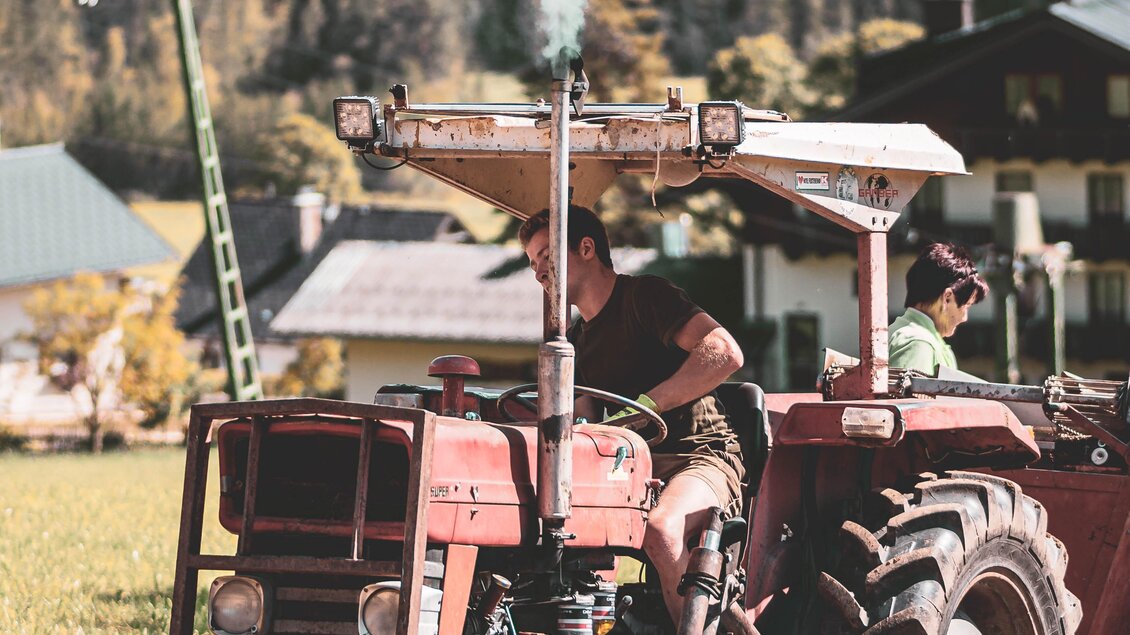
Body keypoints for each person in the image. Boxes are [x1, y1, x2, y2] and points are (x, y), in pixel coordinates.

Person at [520, 205, 745, 627]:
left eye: (546, 257)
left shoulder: (646, 297)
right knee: (547, 531)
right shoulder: (575, 340)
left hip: (700, 457)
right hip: (632, 470)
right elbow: (583, 428)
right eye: (532, 263)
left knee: (661, 528)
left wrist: (644, 408)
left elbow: (725, 353)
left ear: (585, 248)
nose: (538, 274)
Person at [889, 242, 989, 374]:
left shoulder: (901, 332)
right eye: (966, 305)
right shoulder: (919, 344)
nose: (965, 318)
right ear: (947, 298)